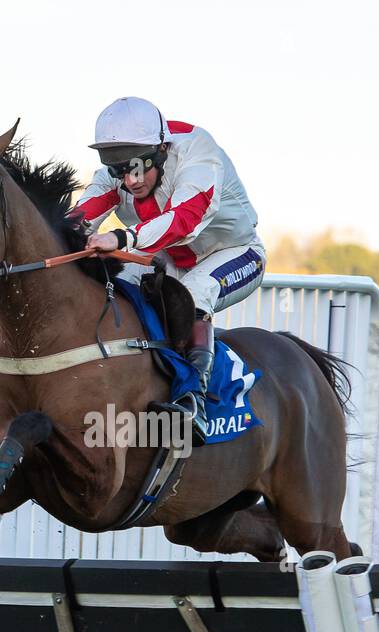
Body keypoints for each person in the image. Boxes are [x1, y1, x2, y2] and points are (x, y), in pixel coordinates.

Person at [68, 97, 266, 441]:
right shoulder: (118, 171)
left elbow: (184, 220)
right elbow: (77, 220)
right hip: (170, 257)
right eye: (118, 169)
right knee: (115, 287)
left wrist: (119, 236)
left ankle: (194, 400)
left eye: (139, 166)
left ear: (162, 149)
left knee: (193, 292)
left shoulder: (199, 154)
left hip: (235, 252)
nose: (130, 180)